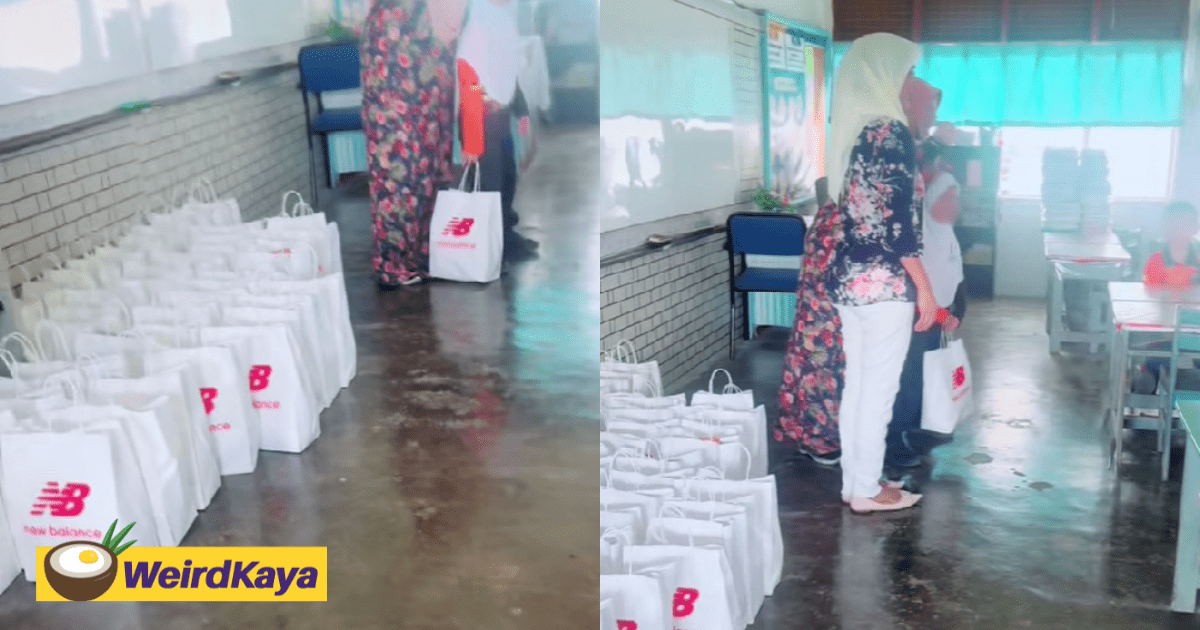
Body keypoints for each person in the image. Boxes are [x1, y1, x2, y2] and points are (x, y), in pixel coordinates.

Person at [780, 33, 940, 514]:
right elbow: (897, 226)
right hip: (885, 284)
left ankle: (856, 485)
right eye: (908, 71)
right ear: (885, 74)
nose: (911, 81)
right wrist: (925, 289)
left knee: (857, 389)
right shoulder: (891, 133)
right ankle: (867, 490)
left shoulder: (857, 134)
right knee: (878, 392)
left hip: (848, 282)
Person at [361, 0, 469, 287]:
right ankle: (398, 262)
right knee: (406, 167)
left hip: (405, 59)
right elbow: (452, 24)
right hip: (409, 57)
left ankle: (409, 259)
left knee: (412, 166)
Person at [883, 138, 967, 474]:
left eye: (957, 198)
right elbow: (916, 284)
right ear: (931, 200)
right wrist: (941, 312)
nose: (955, 205)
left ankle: (917, 434)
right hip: (920, 319)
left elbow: (954, 278)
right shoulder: (921, 238)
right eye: (948, 198)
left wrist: (955, 311)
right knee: (909, 382)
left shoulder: (945, 233)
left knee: (928, 380)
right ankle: (895, 445)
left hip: (938, 320)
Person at [456, 0, 539, 263]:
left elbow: (508, 73)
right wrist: (472, 143)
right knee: (489, 185)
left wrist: (521, 110)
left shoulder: (501, 23)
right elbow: (469, 85)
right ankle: (488, 247)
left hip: (499, 120)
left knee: (507, 178)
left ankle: (505, 236)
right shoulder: (478, 29)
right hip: (480, 123)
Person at [1144, 201, 1200, 286]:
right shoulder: (1155, 261)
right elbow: (1151, 290)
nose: (1178, 231)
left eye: (1184, 225)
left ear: (1195, 228)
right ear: (1164, 228)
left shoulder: (1198, 259)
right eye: (1173, 225)